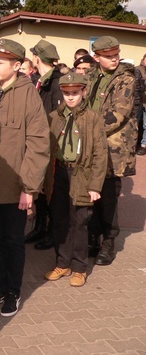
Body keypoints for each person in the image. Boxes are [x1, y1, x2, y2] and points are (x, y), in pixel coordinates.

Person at [0, 38, 49, 317]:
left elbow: (38, 145)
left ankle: (13, 292)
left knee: (13, 241)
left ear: (17, 65)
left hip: (15, 186)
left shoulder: (28, 95)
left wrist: (29, 188)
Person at [44, 72, 107, 287]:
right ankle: (62, 263)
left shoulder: (93, 118)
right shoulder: (54, 117)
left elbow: (100, 154)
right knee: (59, 220)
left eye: (75, 93)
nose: (70, 97)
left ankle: (80, 267)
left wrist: (95, 185)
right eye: (67, 93)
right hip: (59, 173)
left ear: (83, 92)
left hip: (81, 175)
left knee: (79, 222)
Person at [85, 36, 137, 265]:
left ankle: (109, 241)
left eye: (116, 54)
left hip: (113, 148)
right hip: (92, 145)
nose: (114, 59)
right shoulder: (90, 76)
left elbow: (118, 114)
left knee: (109, 197)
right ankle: (93, 237)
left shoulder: (126, 78)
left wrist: (87, 130)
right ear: (96, 58)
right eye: (108, 56)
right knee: (91, 194)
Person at [25, 39, 64, 251]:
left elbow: (57, 115)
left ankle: (51, 231)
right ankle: (39, 226)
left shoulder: (56, 82)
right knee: (39, 187)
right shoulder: (41, 80)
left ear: (37, 58)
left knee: (50, 190)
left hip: (50, 141)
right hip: (40, 140)